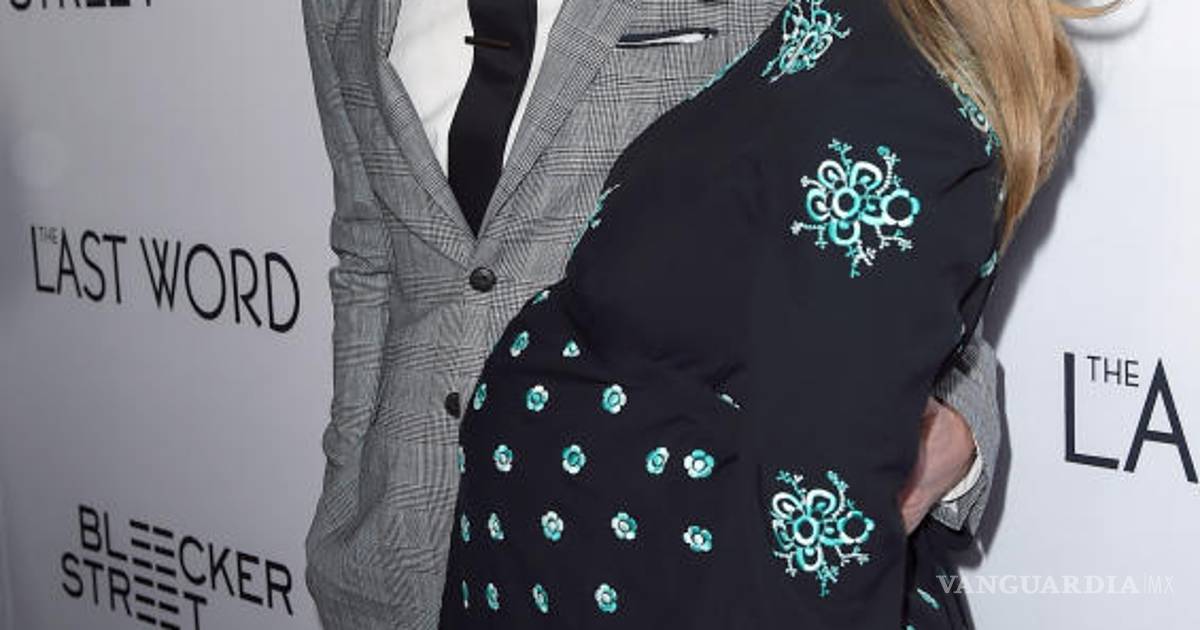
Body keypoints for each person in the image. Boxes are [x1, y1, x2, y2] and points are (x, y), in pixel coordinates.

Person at [298, 0, 1018, 628]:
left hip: (670, 565)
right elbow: (368, 255)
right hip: (396, 556)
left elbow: (888, 217)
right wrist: (348, 497)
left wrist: (950, 434)